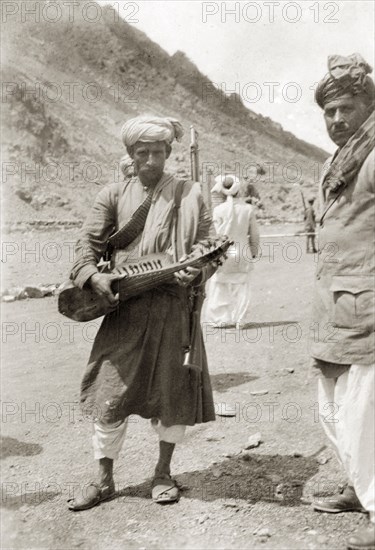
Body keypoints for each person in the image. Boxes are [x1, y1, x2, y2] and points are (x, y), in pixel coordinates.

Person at [67, 115, 218, 510]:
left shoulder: (193, 193)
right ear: (130, 155)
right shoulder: (113, 195)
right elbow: (87, 245)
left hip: (175, 311)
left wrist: (199, 267)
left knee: (173, 394)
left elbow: (212, 246)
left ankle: (163, 472)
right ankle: (103, 480)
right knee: (108, 393)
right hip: (126, 310)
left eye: (157, 152)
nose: (150, 160)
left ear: (168, 153)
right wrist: (90, 276)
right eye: (142, 152)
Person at [310, 54, 375, 550]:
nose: (336, 120)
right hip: (334, 305)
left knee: (365, 413)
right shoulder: (335, 161)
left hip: (370, 305)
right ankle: (359, 487)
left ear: (368, 106)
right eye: (329, 112)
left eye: (346, 109)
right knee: (332, 409)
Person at [203, 174, 259, 328]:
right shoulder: (248, 209)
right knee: (242, 287)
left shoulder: (218, 210)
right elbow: (254, 234)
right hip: (242, 251)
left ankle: (220, 319)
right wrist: (254, 251)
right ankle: (240, 319)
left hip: (225, 253)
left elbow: (213, 235)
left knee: (219, 285)